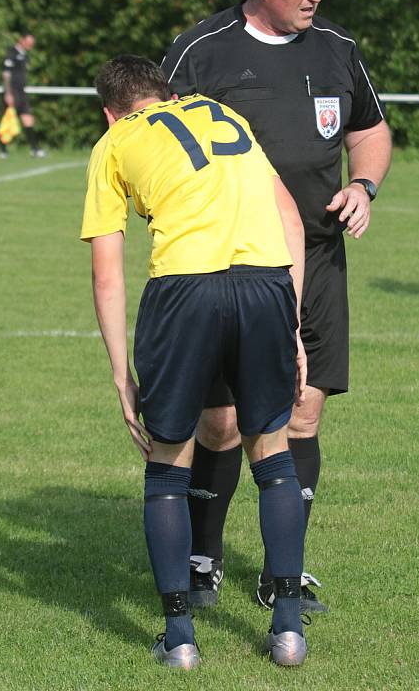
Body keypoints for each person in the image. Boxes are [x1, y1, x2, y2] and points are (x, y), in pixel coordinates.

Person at [161, 0, 392, 613]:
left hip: (316, 259)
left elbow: (370, 131)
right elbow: (159, 149)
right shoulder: (200, 53)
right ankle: (202, 559)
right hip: (229, 265)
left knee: (301, 414)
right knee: (223, 422)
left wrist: (363, 185)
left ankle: (280, 575)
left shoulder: (336, 49)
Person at [81, 54, 309, 668]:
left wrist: (119, 373)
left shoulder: (114, 143)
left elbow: (107, 271)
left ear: (110, 112)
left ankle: (179, 639)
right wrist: (290, 324)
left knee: (167, 462)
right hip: (265, 284)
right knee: (274, 452)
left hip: (185, 291)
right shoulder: (223, 113)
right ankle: (287, 630)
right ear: (165, 91)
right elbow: (288, 217)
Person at [0, 31, 46, 159]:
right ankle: (2, 149)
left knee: (28, 120)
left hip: (22, 92)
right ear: (22, 40)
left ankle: (35, 149)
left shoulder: (25, 55)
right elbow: (6, 74)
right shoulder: (11, 53)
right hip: (12, 92)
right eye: (29, 42)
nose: (31, 45)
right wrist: (8, 93)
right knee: (7, 120)